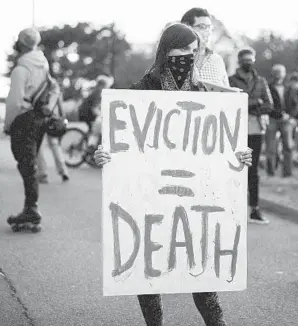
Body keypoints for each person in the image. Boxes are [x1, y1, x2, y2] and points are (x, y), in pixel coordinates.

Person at [93, 23, 253, 326]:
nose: (189, 57)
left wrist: (239, 155)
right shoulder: (143, 90)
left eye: (194, 51)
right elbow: (123, 139)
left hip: (194, 194)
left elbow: (218, 144)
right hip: (150, 191)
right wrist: (105, 154)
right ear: (167, 51)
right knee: (148, 264)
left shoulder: (203, 91)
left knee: (199, 260)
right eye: (183, 50)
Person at [4, 27, 49, 225]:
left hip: (24, 120)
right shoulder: (43, 65)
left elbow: (14, 102)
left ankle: (31, 209)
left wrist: (7, 125)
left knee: (26, 165)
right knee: (30, 165)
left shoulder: (21, 69)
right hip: (40, 119)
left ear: (20, 44)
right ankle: (31, 207)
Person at [229, 48, 273, 224]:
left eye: (251, 59)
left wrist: (249, 104)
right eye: (245, 59)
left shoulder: (261, 81)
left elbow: (269, 105)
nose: (248, 62)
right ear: (240, 61)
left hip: (255, 130)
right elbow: (230, 103)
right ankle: (233, 208)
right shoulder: (231, 80)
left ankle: (254, 208)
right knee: (234, 168)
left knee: (253, 171)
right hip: (235, 130)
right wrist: (255, 103)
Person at [181, 7, 229, 87]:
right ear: (187, 29)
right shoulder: (175, 58)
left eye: (210, 27)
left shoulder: (217, 60)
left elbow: (227, 94)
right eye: (202, 27)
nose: (208, 32)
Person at [265, 64, 297, 177]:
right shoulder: (267, 87)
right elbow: (267, 105)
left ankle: (287, 172)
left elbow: (295, 105)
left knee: (288, 146)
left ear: (284, 73)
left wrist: (290, 116)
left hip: (287, 120)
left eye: (281, 72)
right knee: (271, 147)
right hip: (272, 119)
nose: (279, 75)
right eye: (277, 72)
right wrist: (279, 114)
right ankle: (270, 172)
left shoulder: (289, 88)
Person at [36, 93, 69, 183]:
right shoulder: (55, 88)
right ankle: (63, 171)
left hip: (40, 120)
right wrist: (62, 120)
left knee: (38, 147)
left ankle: (43, 173)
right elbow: (61, 109)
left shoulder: (40, 85)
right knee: (55, 146)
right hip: (53, 121)